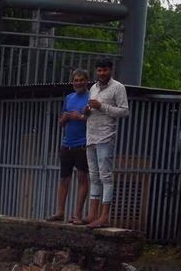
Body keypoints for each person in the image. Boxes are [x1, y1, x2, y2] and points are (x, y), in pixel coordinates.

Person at [83, 59, 129, 228]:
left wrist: (102, 106)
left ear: (111, 70)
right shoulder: (93, 88)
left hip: (105, 137)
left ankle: (104, 216)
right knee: (93, 176)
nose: (101, 73)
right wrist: (87, 111)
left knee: (105, 176)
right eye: (99, 70)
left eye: (104, 70)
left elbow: (124, 111)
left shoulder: (118, 87)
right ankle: (92, 214)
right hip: (91, 136)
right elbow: (90, 110)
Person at [49, 69, 90, 223]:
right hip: (67, 143)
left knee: (82, 178)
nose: (78, 83)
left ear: (86, 81)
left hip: (83, 144)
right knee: (64, 179)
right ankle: (59, 212)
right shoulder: (68, 98)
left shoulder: (91, 97)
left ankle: (77, 215)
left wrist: (79, 116)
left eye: (81, 80)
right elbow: (60, 122)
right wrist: (65, 118)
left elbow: (95, 119)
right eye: (75, 80)